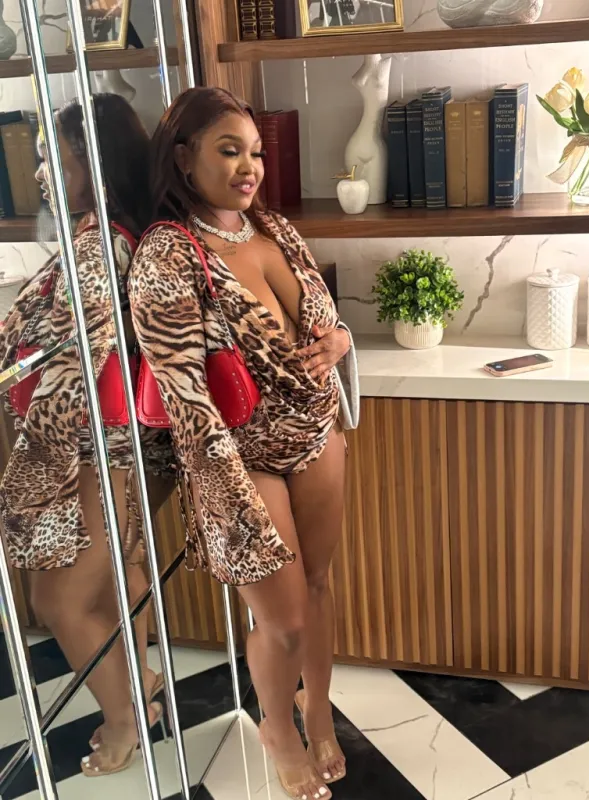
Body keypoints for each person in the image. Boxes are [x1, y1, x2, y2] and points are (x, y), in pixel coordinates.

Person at [130, 87, 357, 800]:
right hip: (238, 456)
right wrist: (222, 494)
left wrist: (340, 339)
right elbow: (183, 393)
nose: (249, 166)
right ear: (183, 158)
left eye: (255, 152)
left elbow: (323, 320)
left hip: (315, 432)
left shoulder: (274, 228)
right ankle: (277, 728)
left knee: (318, 586)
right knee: (282, 619)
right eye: (229, 151)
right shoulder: (168, 252)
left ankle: (317, 710)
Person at [0, 94, 174, 777]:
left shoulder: (100, 247)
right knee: (118, 576)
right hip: (113, 445)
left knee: (59, 601)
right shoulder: (116, 233)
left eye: (57, 159)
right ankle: (139, 688)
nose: (42, 172)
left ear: (92, 165)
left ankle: (125, 719)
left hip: (89, 448)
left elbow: (72, 358)